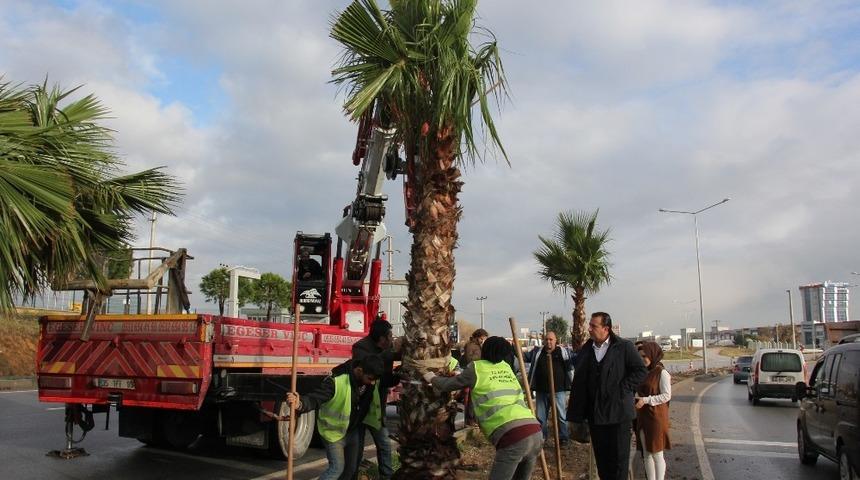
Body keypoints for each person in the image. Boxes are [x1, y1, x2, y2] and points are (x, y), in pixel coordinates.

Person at [425, 336, 542, 480]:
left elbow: (448, 385)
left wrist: (431, 378)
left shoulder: (477, 368)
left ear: (485, 350)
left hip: (513, 436)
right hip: (535, 431)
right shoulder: (506, 367)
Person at [567, 312, 647, 480]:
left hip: (618, 417)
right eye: (589, 325)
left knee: (619, 464)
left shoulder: (624, 347)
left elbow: (640, 371)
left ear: (606, 329)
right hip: (596, 418)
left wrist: (623, 389)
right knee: (603, 464)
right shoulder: (586, 350)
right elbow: (580, 382)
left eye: (593, 326)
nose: (589, 329)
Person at [287, 355, 384, 480]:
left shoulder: (369, 382)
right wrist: (300, 404)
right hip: (333, 434)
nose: (372, 382)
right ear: (359, 371)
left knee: (350, 470)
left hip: (353, 431)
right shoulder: (336, 381)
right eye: (370, 378)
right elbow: (315, 398)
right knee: (336, 469)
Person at [351, 320, 400, 480]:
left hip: (377, 406)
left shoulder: (388, 349)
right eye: (390, 336)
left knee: (384, 444)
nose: (392, 339)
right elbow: (365, 368)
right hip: (360, 405)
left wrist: (398, 375)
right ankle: (353, 475)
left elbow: (385, 380)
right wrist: (385, 356)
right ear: (382, 338)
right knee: (357, 447)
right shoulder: (361, 347)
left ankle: (386, 476)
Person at [524, 331, 576, 445]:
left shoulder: (563, 352)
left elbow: (575, 360)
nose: (548, 342)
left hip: (559, 391)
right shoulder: (537, 352)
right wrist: (514, 348)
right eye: (546, 339)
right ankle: (542, 438)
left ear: (555, 340)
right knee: (541, 417)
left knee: (561, 416)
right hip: (541, 391)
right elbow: (524, 356)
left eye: (551, 339)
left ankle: (564, 438)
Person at [635, 342, 672, 480]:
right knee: (646, 454)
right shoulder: (644, 372)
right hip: (643, 417)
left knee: (657, 454)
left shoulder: (661, 373)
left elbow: (666, 395)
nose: (642, 359)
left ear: (652, 354)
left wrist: (646, 400)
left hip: (656, 418)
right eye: (640, 356)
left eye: (645, 355)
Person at [461, 328, 488, 426]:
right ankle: (470, 419)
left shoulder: (477, 345)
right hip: (473, 372)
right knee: (472, 398)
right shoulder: (471, 346)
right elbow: (470, 359)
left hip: (478, 372)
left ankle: (474, 418)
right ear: (477, 337)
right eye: (481, 338)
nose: (482, 340)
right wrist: (481, 357)